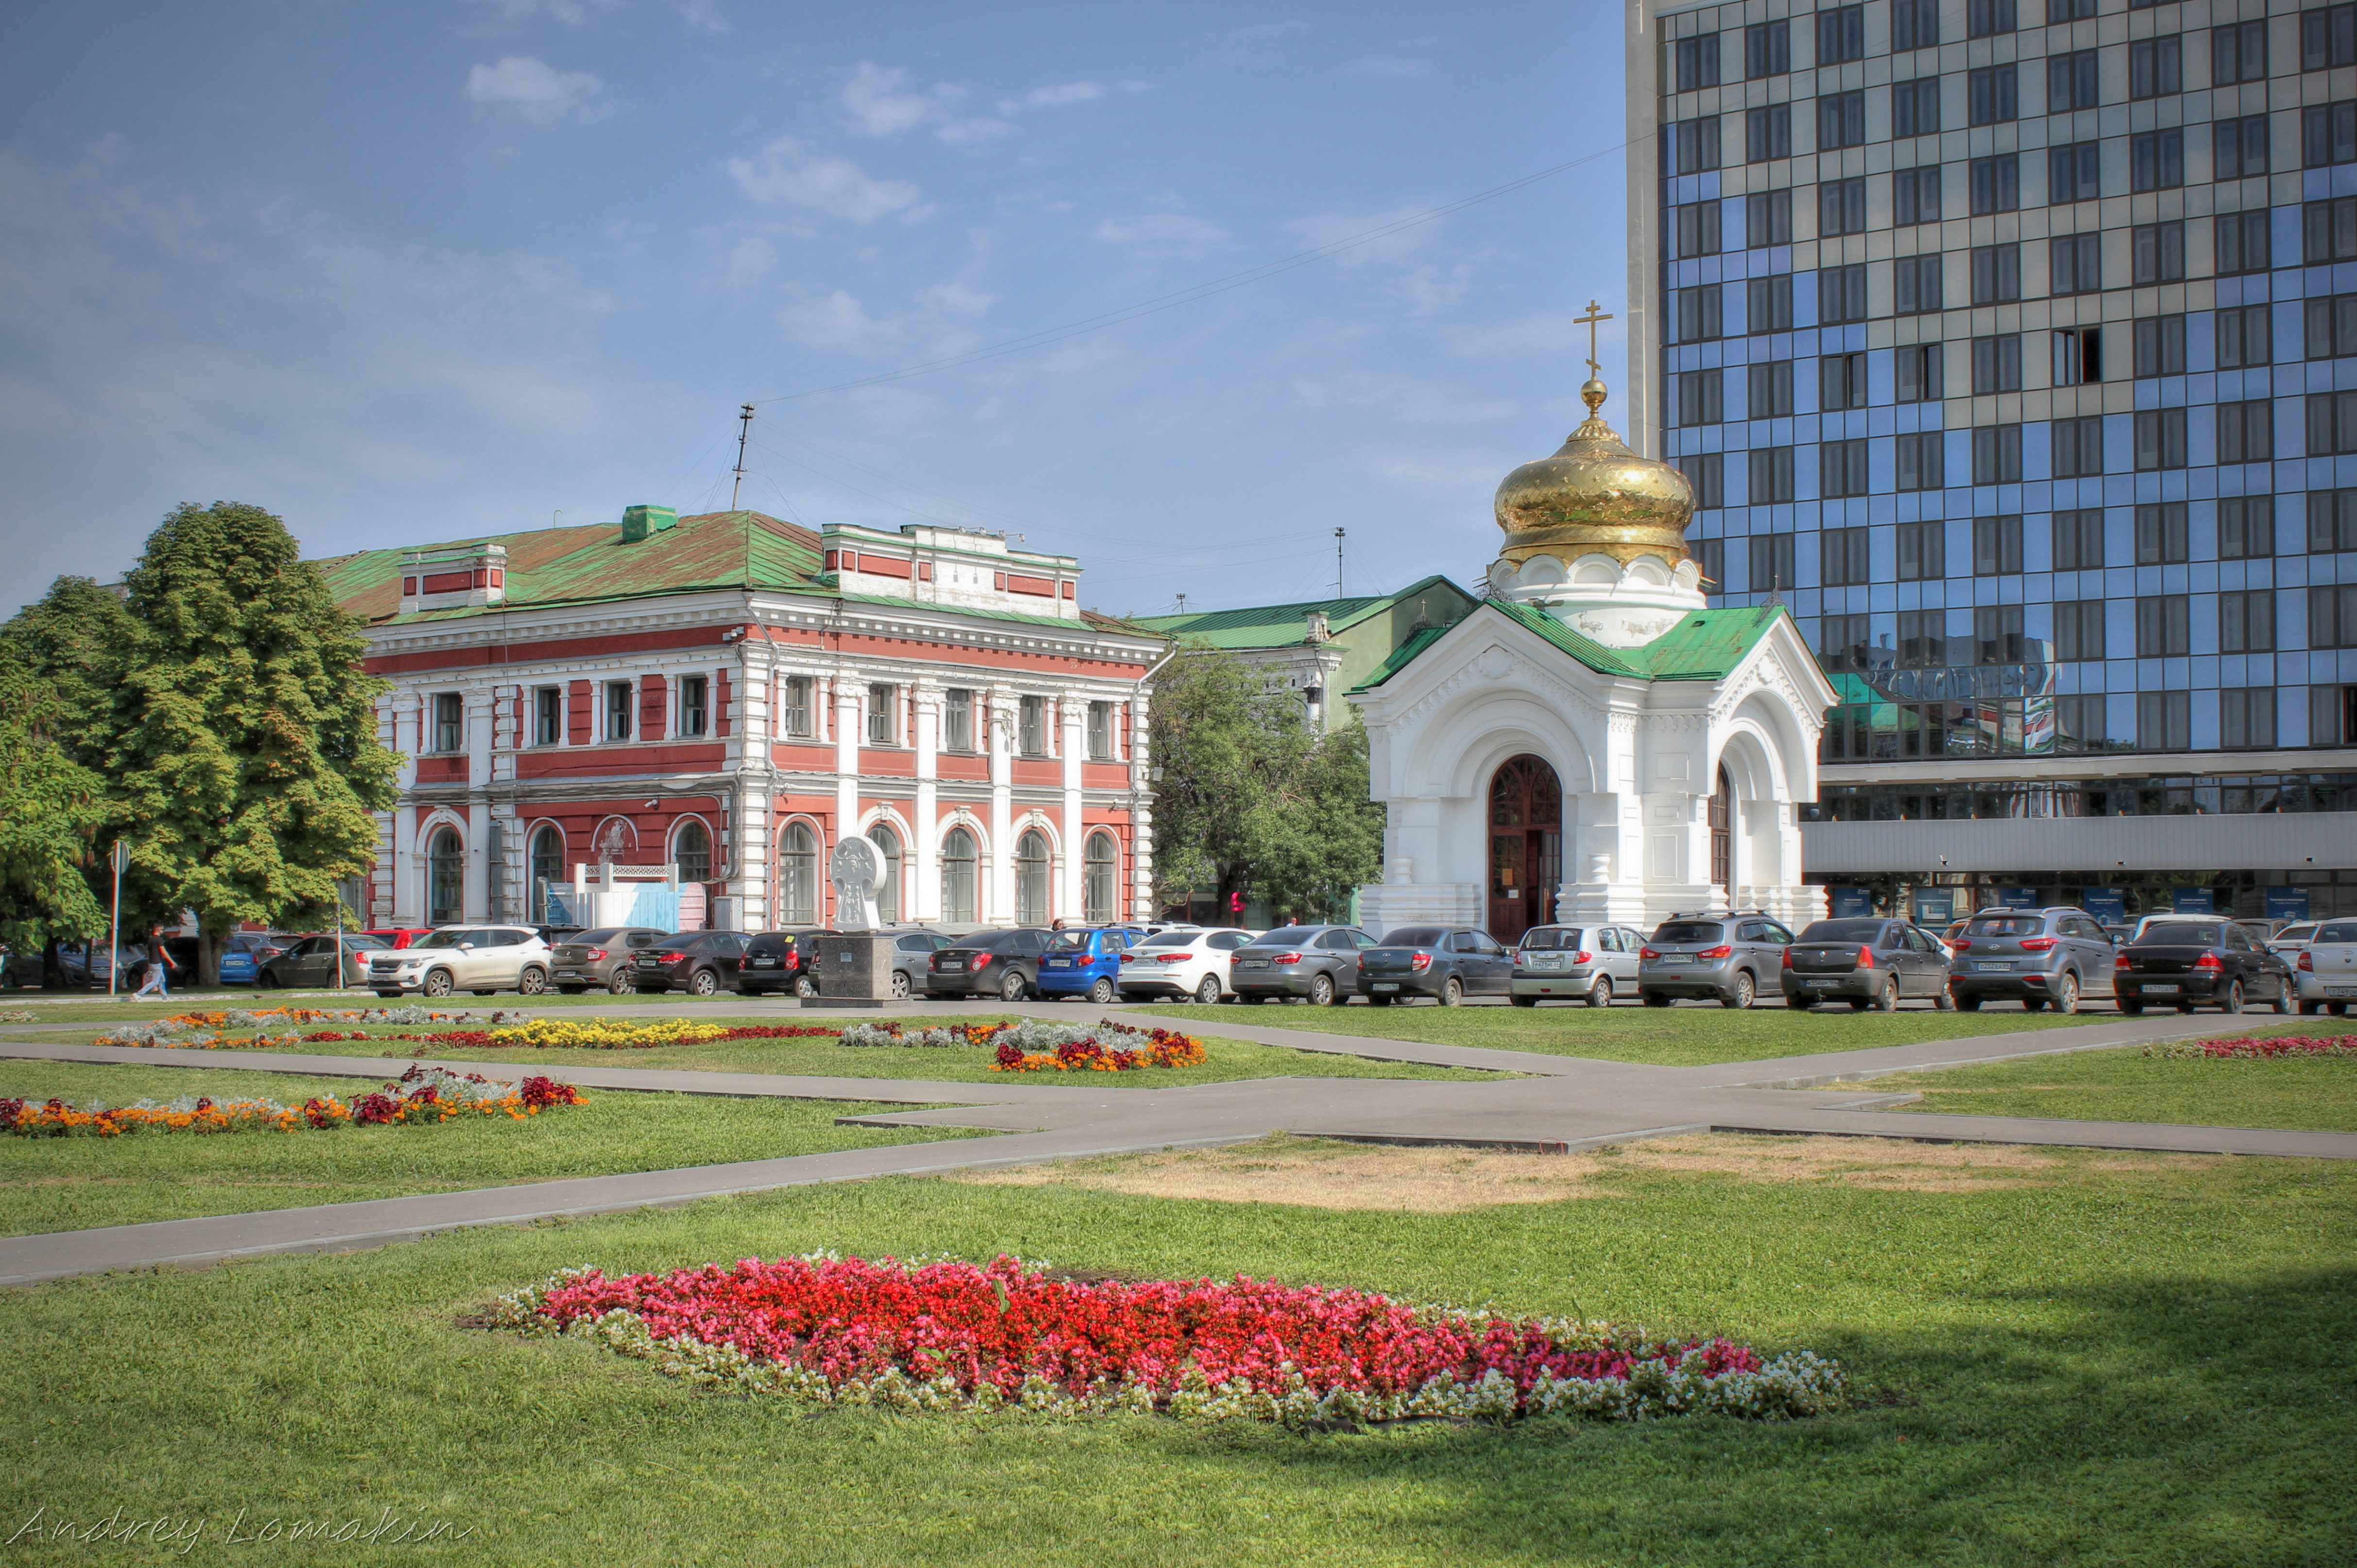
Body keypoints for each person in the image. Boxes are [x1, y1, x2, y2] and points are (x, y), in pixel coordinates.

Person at [131, 929, 176, 1000]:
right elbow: (163, 952)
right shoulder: (159, 940)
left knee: (162, 980)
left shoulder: (150, 940)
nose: (163, 931)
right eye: (163, 929)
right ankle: (139, 994)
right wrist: (172, 962)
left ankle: (165, 998)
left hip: (152, 963)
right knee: (155, 982)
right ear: (159, 929)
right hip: (157, 963)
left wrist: (149, 965)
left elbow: (149, 953)